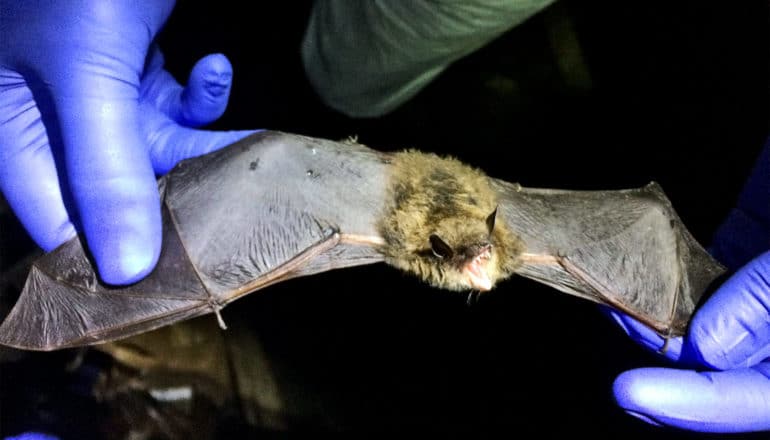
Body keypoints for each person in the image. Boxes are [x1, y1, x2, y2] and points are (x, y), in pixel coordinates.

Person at [1, 0, 768, 434]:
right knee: (338, 82)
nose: (474, 278)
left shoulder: (511, 240)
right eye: (462, 264)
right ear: (432, 251)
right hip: (355, 196)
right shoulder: (371, 233)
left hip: (471, 203)